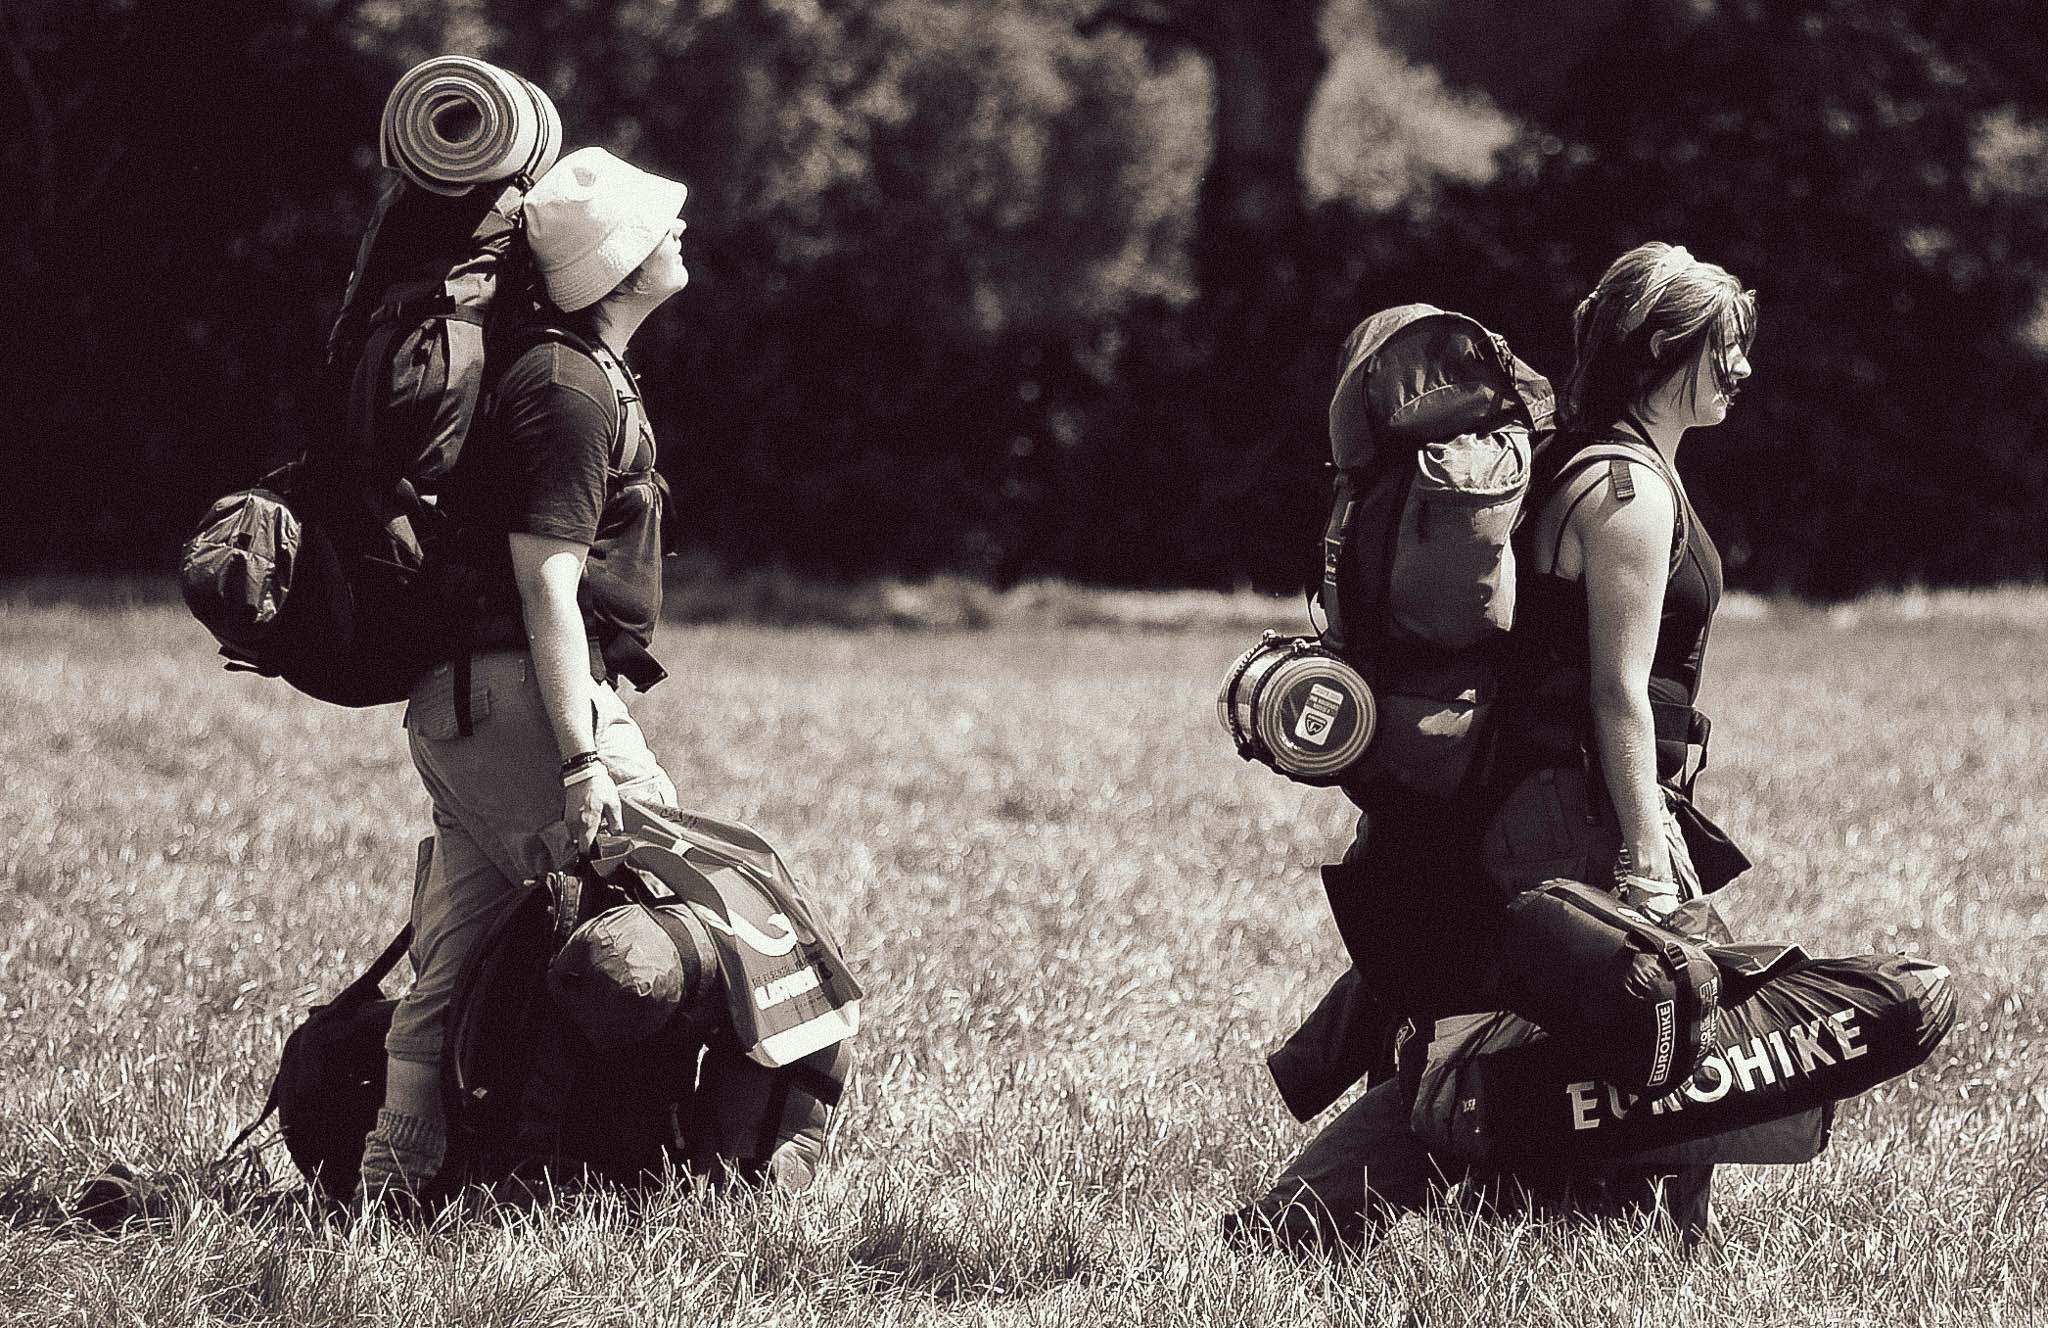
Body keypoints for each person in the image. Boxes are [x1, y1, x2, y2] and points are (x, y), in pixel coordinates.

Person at [1233, 242, 1758, 1249]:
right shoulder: (1625, 495)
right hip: (1572, 812)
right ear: (1661, 347)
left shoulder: (1579, 457)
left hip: (1532, 802)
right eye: (1721, 346)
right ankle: (1289, 1228)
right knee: (1654, 1017)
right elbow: (1614, 693)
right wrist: (1645, 853)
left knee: (1513, 1019)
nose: (1740, 369)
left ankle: (1605, 1235)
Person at [355, 145, 694, 1203]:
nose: (678, 232)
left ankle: (393, 1183)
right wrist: (585, 757)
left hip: (468, 704)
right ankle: (591, 1174)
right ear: (620, 264)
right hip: (524, 704)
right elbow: (546, 586)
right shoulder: (565, 389)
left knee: (455, 952)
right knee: (656, 920)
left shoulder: (575, 370)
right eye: (658, 225)